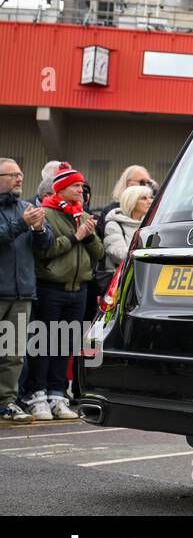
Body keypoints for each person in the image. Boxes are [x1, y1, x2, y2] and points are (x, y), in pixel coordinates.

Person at [24, 163, 103, 421]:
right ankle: (37, 395)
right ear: (61, 188)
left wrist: (89, 235)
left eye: (82, 185)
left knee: (65, 344)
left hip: (78, 289)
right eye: (76, 186)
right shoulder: (46, 212)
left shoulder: (81, 213)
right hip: (51, 287)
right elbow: (46, 250)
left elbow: (99, 253)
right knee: (44, 343)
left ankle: (58, 394)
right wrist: (77, 236)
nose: (82, 190)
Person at [0, 159, 52, 423]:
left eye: (21, 174)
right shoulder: (24, 213)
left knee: (13, 353)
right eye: (13, 175)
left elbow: (45, 246)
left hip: (22, 294)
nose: (19, 179)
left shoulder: (27, 208)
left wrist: (41, 229)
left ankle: (6, 402)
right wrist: (22, 223)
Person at [96, 165, 155, 238]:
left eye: (149, 183)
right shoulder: (111, 212)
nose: (146, 186)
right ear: (128, 183)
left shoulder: (153, 211)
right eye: (142, 182)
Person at [102, 184, 152, 267]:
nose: (150, 201)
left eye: (150, 197)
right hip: (121, 276)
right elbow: (118, 254)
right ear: (132, 201)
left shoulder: (149, 224)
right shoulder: (114, 224)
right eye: (144, 198)